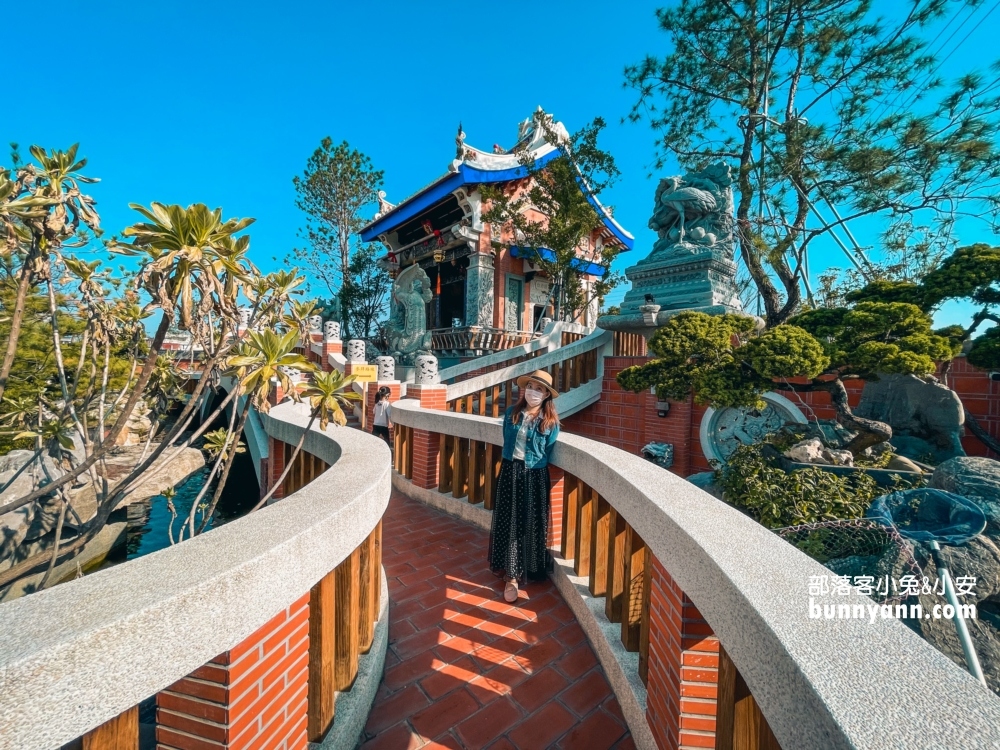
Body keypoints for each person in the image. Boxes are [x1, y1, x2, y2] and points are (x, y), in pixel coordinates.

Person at [488, 369, 560, 603]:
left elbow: (547, 450)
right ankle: (511, 574)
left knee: (529, 523)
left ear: (547, 395)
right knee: (508, 521)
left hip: (534, 476)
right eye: (530, 387)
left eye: (539, 389)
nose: (533, 392)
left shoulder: (550, 422)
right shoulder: (512, 413)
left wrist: (531, 466)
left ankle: (527, 566)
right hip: (510, 470)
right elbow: (506, 441)